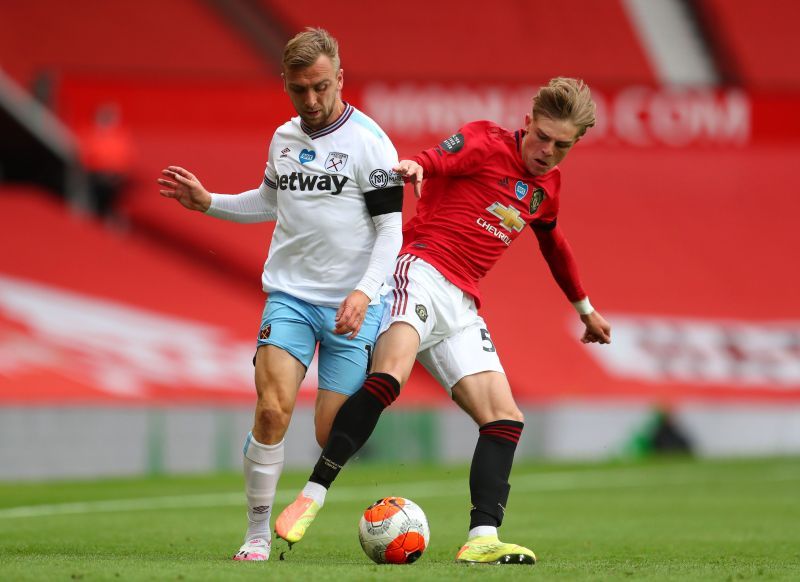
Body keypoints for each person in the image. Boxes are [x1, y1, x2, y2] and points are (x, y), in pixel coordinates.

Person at [275, 77, 612, 565]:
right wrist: (418, 164)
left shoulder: (547, 188)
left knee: (504, 418)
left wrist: (584, 308)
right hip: (421, 268)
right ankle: (313, 495)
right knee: (391, 374)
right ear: (527, 124)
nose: (546, 150)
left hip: (463, 302)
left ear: (575, 143)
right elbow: (437, 158)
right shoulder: (486, 141)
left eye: (561, 145)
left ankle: (482, 537)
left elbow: (553, 245)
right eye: (541, 136)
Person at [156, 28, 403, 561]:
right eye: (299, 90)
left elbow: (391, 231)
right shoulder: (284, 139)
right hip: (289, 296)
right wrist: (208, 202)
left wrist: (364, 292)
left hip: (352, 308)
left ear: (340, 77)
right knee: (271, 410)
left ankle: (307, 495)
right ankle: (257, 533)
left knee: (330, 433)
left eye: (319, 87)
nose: (311, 101)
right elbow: (271, 201)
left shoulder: (371, 143)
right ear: (285, 85)